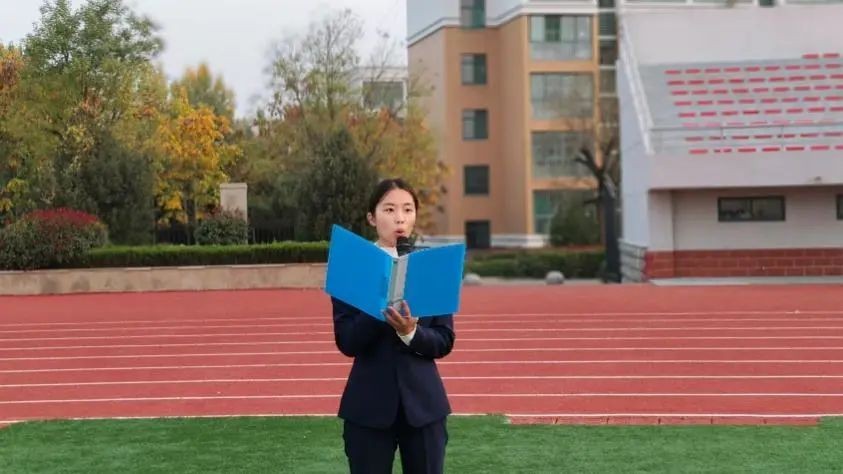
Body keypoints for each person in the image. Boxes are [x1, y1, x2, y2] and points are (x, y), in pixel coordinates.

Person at [331, 178, 455, 474]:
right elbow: (347, 341)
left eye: (407, 209)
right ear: (372, 217)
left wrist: (410, 332)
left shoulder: (432, 268)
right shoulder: (353, 267)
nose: (400, 218)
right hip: (368, 406)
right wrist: (381, 307)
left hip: (424, 407)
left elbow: (444, 340)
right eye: (389, 209)